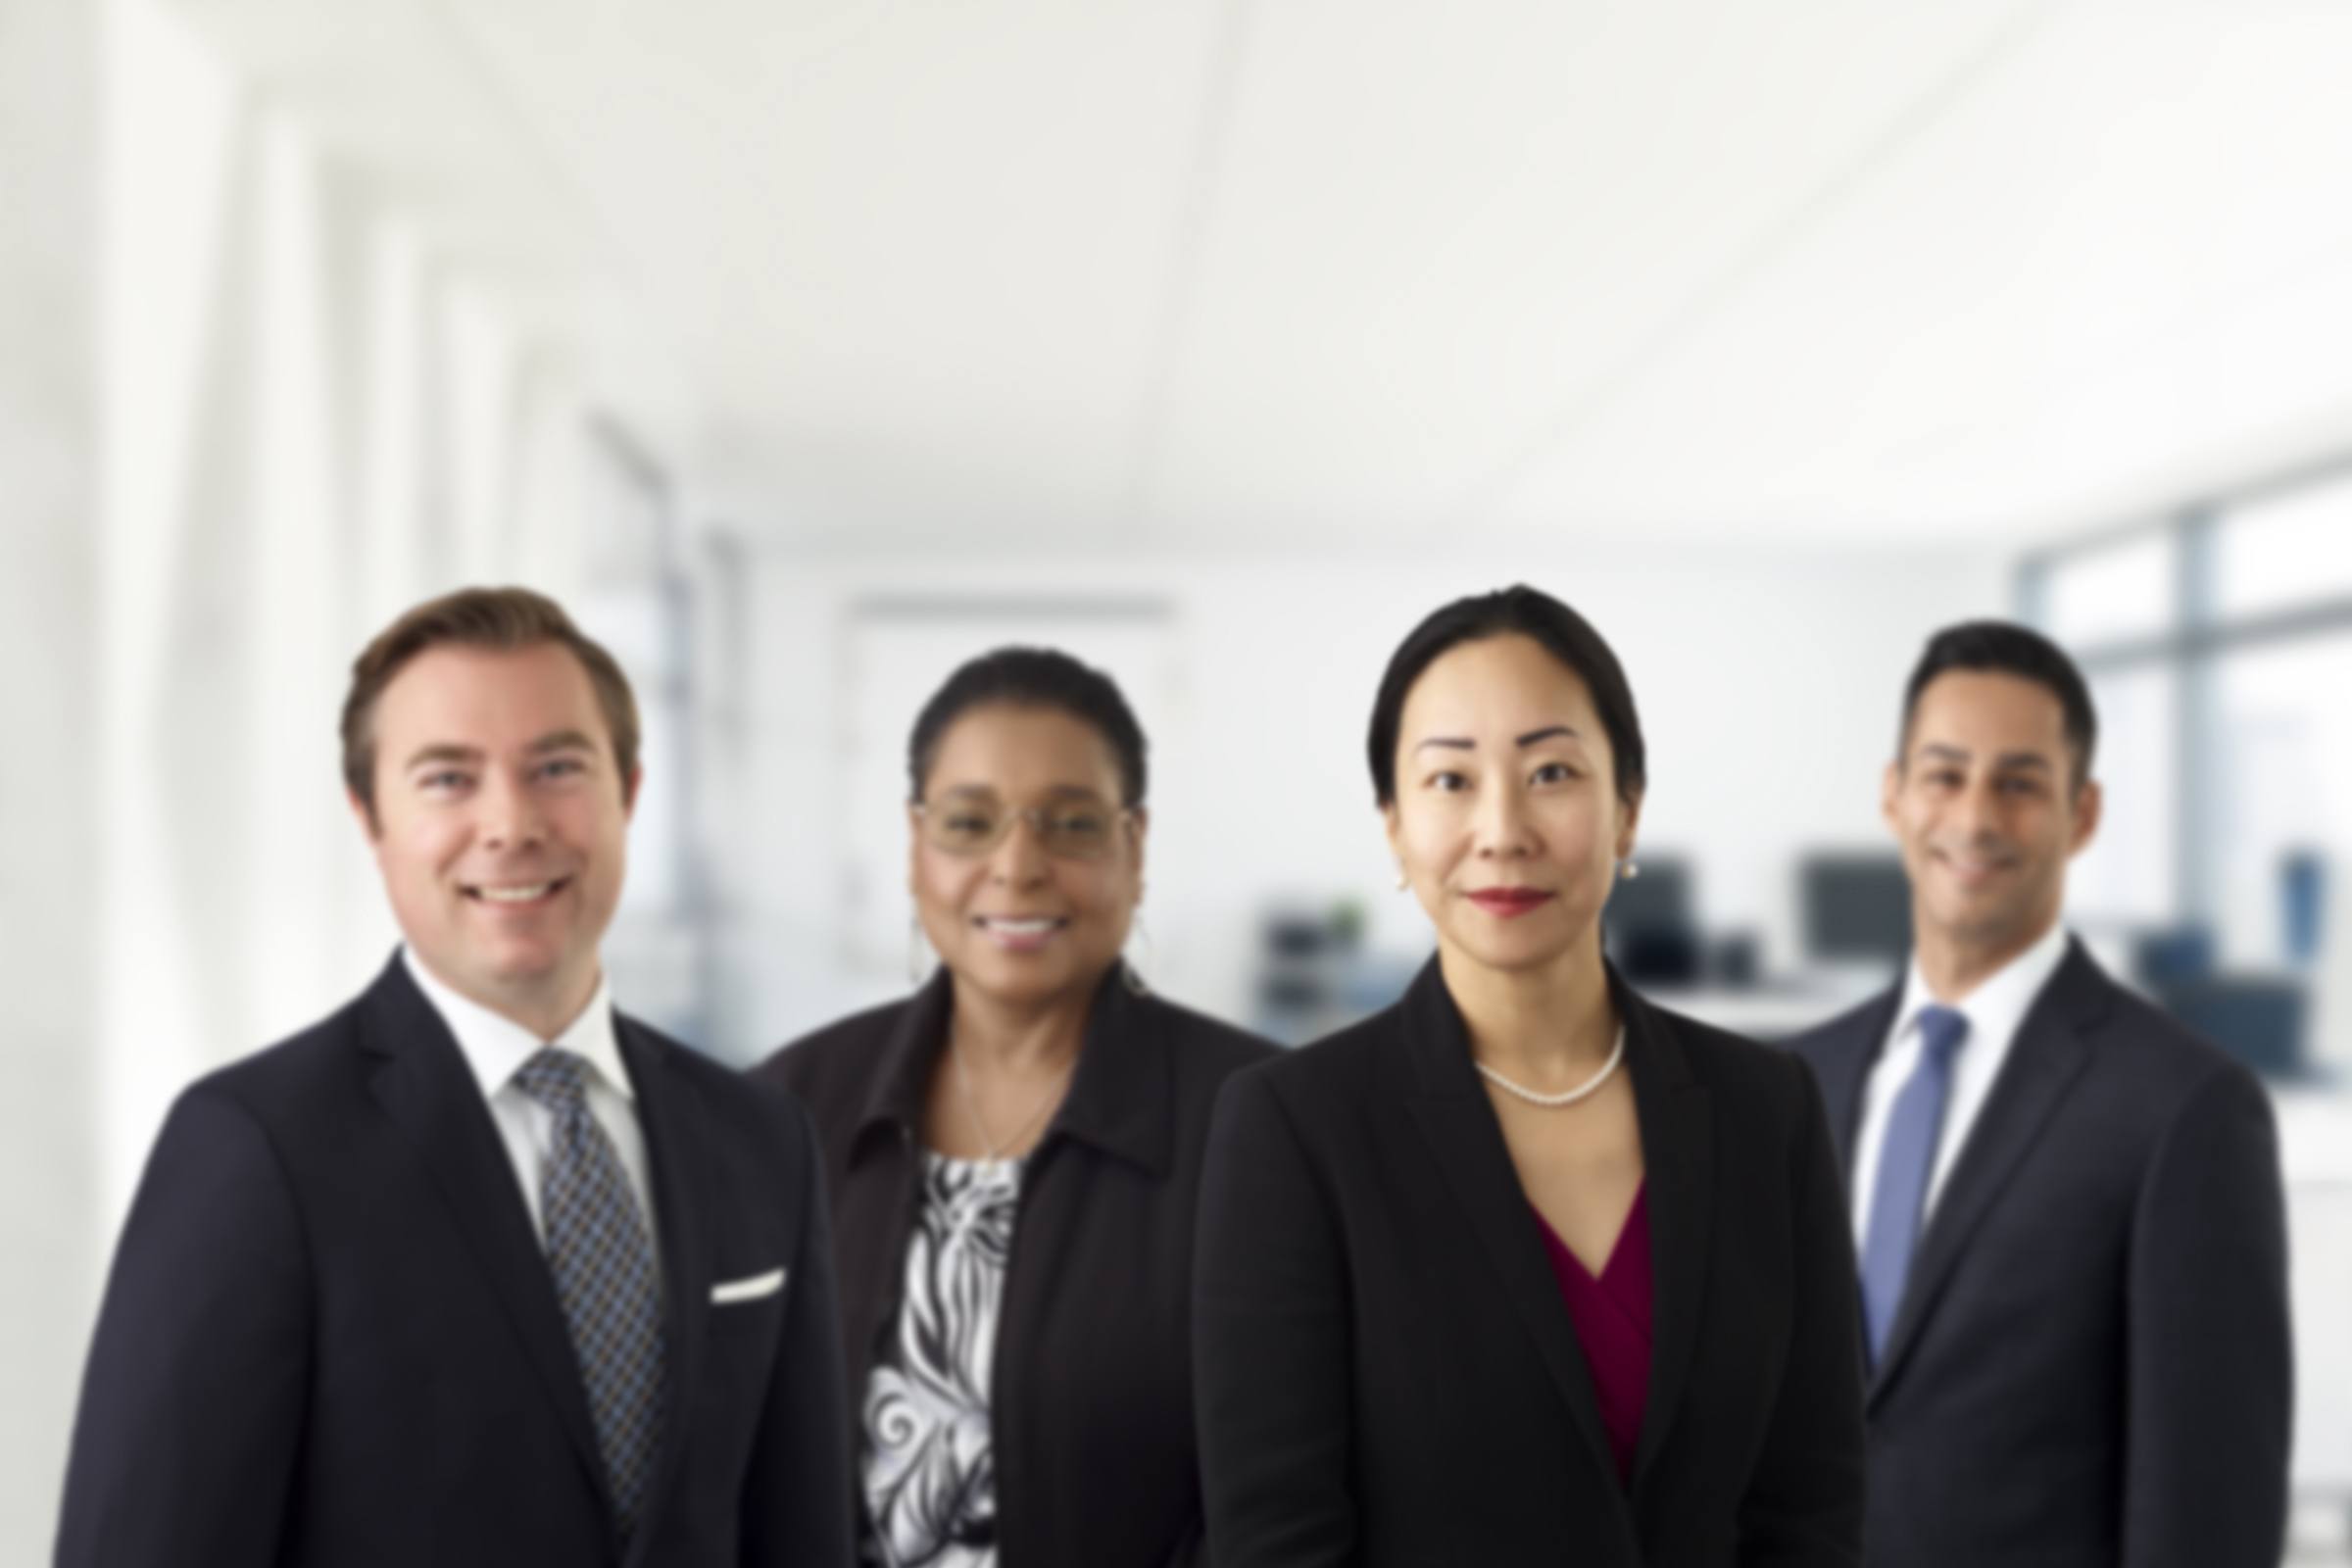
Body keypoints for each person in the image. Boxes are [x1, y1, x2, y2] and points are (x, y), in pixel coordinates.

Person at [56, 588, 853, 1568]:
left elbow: (807, 1540)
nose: (511, 823)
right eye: (448, 778)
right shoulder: (256, 1148)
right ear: (370, 817)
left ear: (629, 794)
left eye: (557, 767)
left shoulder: (760, 1138)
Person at [1195, 585, 1865, 1568]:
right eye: (1450, 780)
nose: (1502, 829)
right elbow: (1277, 1538)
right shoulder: (1293, 1129)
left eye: (1551, 771)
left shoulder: (1770, 1112)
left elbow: (1811, 1509)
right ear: (1393, 824)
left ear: (1628, 809)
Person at [756, 647, 1276, 1568]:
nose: (1017, 865)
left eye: (1071, 824)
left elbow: (1288, 1500)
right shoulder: (785, 1107)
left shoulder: (1264, 1125)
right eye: (969, 822)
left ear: (1135, 847)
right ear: (916, 849)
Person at [1785, 620, 2290, 1567]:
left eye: (2019, 783)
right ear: (1895, 796)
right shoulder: (1790, 1082)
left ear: (2083, 813)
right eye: (1944, 774)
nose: (1974, 817)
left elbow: (2207, 1511)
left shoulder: (2185, 1109)